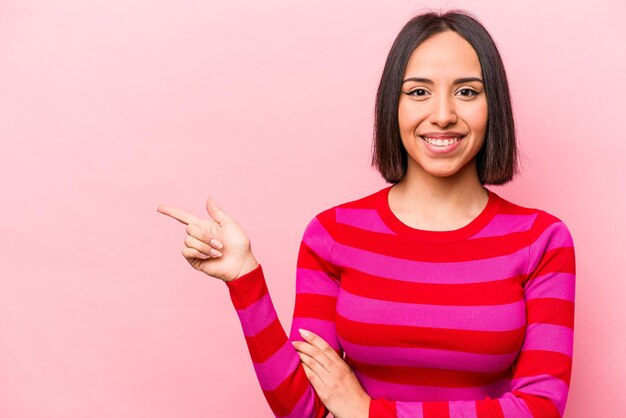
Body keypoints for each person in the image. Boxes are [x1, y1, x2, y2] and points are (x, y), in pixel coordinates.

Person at [156, 9, 575, 418]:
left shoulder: (542, 240)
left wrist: (369, 412)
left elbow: (540, 407)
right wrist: (244, 278)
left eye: (467, 91)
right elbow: (303, 408)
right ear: (392, 105)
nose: (444, 115)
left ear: (493, 106)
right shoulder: (334, 234)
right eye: (418, 92)